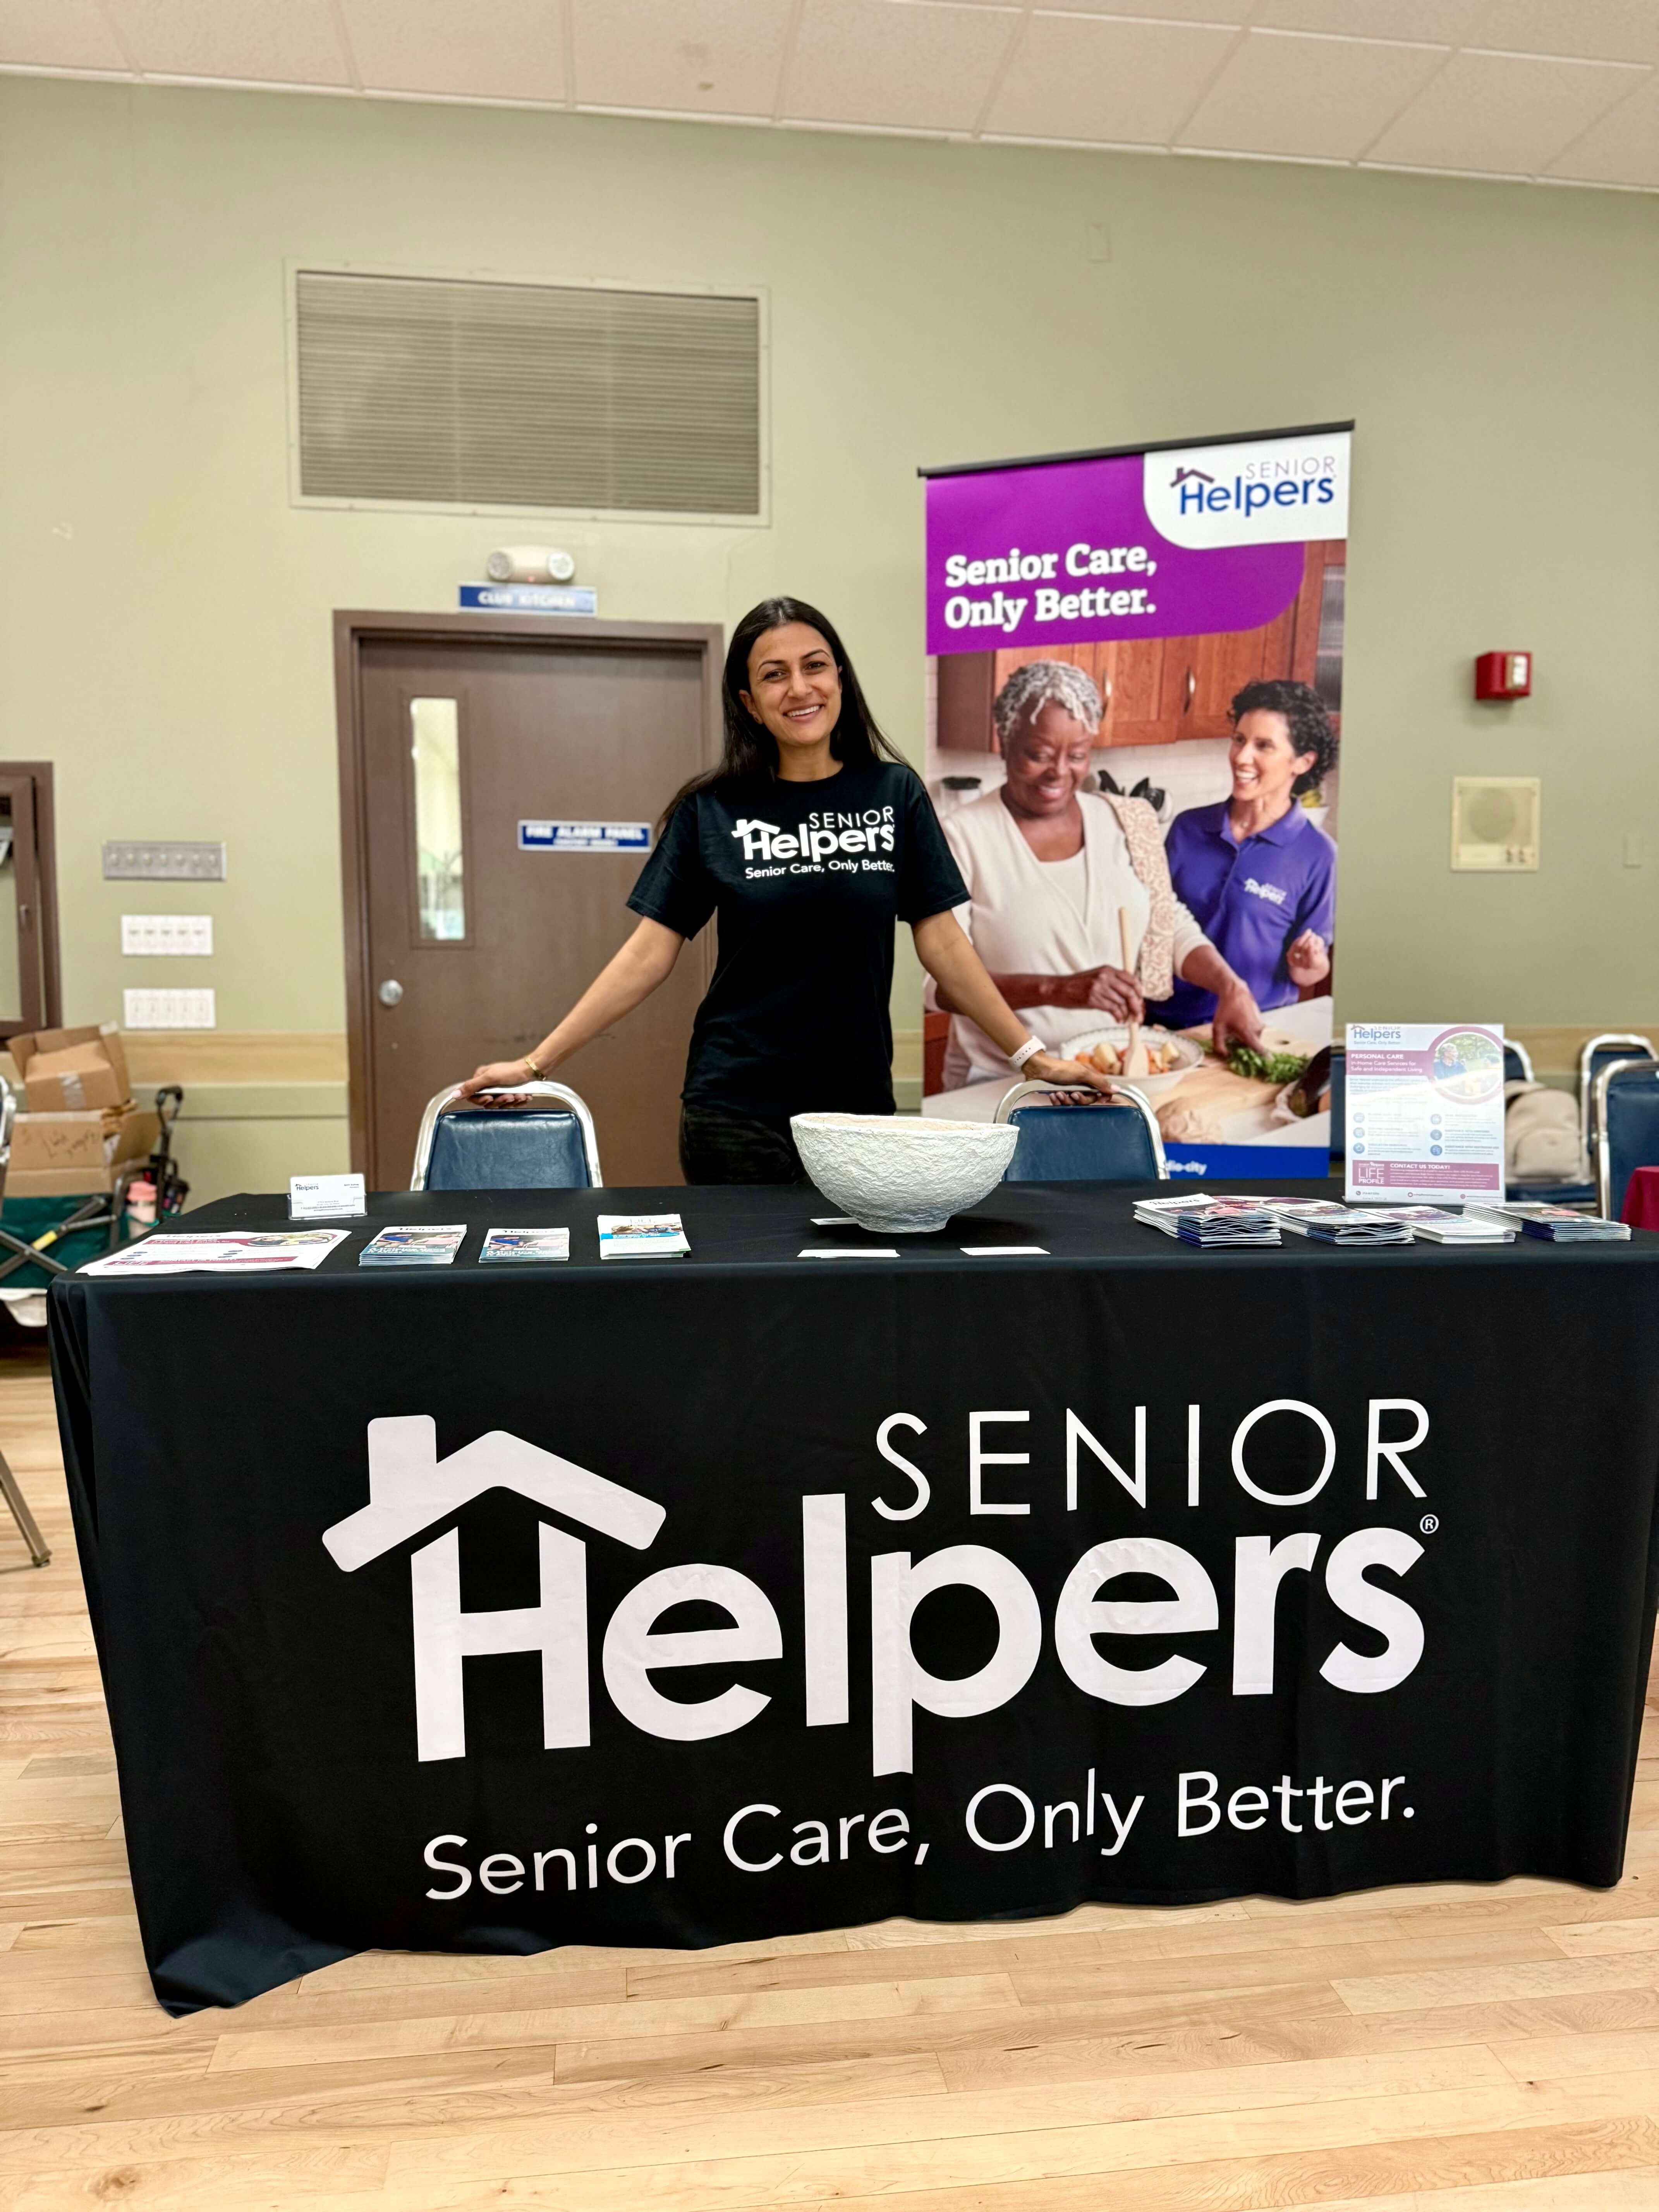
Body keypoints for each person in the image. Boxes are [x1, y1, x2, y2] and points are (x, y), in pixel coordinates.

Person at [459, 598, 1116, 1182]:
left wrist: (1030, 1058)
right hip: (733, 1113)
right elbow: (645, 955)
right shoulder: (711, 811)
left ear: (838, 679)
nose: (798, 687)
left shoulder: (893, 795)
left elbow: (942, 942)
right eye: (773, 674)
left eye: (815, 666)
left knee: (844, 1306)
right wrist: (538, 1062)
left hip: (856, 1115)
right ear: (748, 701)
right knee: (746, 1311)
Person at [934, 660, 1265, 1089]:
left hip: (1108, 1074)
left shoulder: (1126, 820)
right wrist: (1063, 990)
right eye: (1039, 754)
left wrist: (1230, 986)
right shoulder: (959, 837)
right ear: (1005, 742)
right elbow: (943, 985)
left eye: (1077, 756)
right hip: (1002, 1080)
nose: (1059, 772)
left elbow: (1168, 922)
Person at [1144, 678, 1337, 1034]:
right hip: (1166, 1028)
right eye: (1239, 740)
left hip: (1252, 1031)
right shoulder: (1189, 829)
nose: (1242, 757)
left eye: (1263, 746)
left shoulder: (1318, 854)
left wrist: (1309, 962)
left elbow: (1310, 971)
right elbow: (1157, 923)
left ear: (1303, 761)